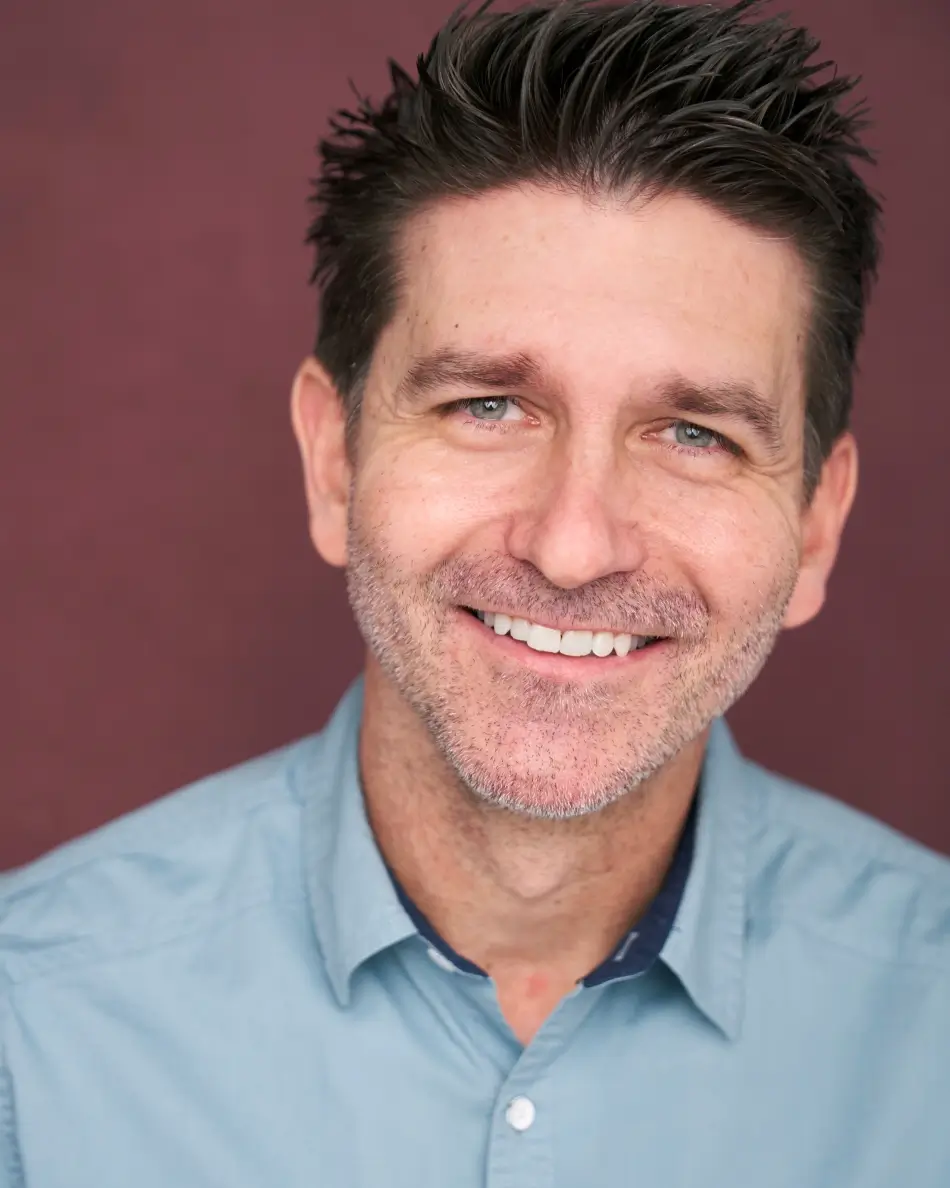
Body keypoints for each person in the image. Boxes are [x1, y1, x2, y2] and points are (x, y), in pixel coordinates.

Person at [2, 0, 948, 1184]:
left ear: (814, 526)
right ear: (333, 461)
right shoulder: (29, 1033)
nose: (570, 548)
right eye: (486, 407)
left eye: (693, 433)